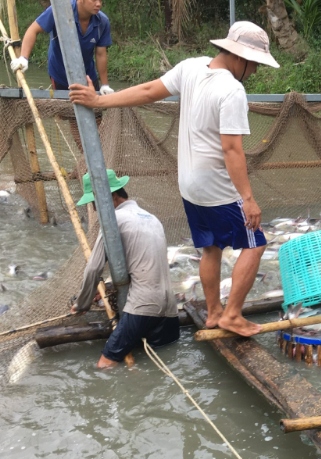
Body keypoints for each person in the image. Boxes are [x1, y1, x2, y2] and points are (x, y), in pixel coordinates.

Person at [69, 21, 280, 336]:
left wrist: (99, 101)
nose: (255, 72)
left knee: (211, 248)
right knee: (255, 244)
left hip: (189, 185)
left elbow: (147, 91)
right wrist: (248, 199)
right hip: (216, 187)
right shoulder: (232, 90)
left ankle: (213, 313)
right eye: (256, 65)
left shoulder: (192, 67)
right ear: (241, 58)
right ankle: (232, 315)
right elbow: (232, 149)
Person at [71, 170, 179, 368]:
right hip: (170, 306)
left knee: (104, 366)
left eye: (95, 204)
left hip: (142, 306)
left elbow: (93, 269)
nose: (95, 210)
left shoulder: (114, 221)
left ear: (111, 197)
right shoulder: (151, 218)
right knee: (165, 360)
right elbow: (145, 266)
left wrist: (82, 304)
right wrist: (109, 285)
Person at [11, 0, 114, 94]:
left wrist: (105, 85)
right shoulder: (60, 11)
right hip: (60, 73)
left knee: (94, 111)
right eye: (94, 0)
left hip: (87, 75)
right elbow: (33, 30)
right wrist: (23, 58)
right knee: (64, 109)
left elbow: (100, 54)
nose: (98, 4)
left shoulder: (102, 22)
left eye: (100, 0)